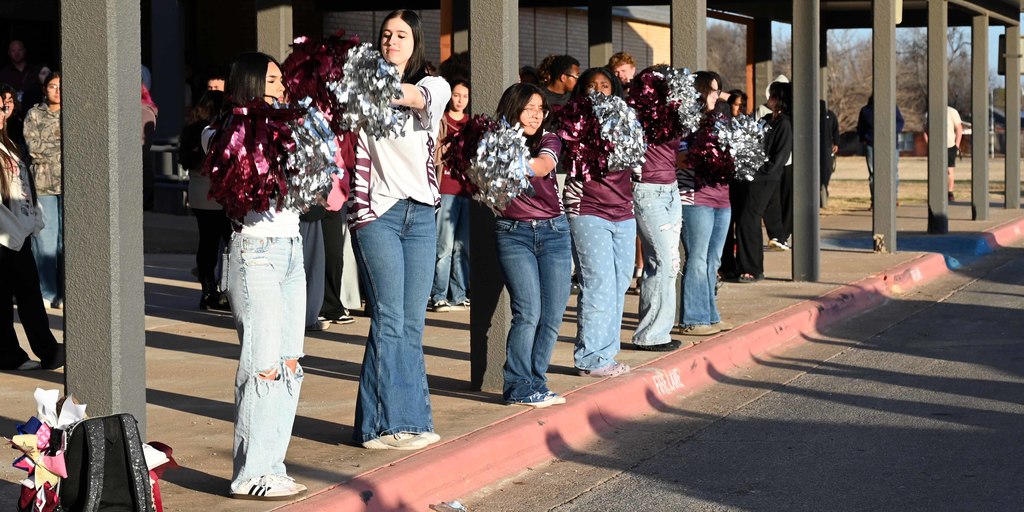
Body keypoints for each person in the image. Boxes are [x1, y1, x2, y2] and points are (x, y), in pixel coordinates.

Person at [204, 52, 307, 500]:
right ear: (247, 83)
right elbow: (233, 164)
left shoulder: (292, 126)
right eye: (270, 79)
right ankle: (250, 473)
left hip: (291, 251)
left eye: (282, 79)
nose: (280, 86)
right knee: (261, 366)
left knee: (289, 365)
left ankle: (272, 463)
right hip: (255, 253)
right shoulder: (223, 132)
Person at [348, 9, 450, 451]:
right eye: (386, 34)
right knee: (389, 320)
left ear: (416, 42)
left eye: (401, 35)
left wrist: (361, 82)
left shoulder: (435, 85)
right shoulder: (357, 83)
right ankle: (397, 424)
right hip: (378, 214)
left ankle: (382, 424)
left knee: (410, 323)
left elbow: (414, 97)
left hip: (422, 216)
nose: (392, 40)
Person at [492, 83, 570, 407]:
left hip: (554, 231)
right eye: (528, 108)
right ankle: (517, 387)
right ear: (513, 108)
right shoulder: (493, 142)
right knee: (528, 312)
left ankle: (536, 382)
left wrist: (499, 162)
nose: (536, 115)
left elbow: (541, 166)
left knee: (552, 315)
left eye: (540, 108)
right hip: (513, 233)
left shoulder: (549, 139)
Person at [564, 67, 635, 378]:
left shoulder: (628, 120)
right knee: (599, 284)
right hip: (587, 208)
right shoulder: (573, 122)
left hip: (624, 211)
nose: (598, 90)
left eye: (605, 85)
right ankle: (590, 358)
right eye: (591, 85)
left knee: (620, 283)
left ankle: (606, 353)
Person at [0, 82, 65, 371]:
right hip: (7, 233)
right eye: (0, 105)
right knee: (25, 292)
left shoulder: (8, 140)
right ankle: (42, 352)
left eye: (7, 104)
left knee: (19, 292)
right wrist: (16, 228)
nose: (4, 110)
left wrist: (31, 219)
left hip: (16, 231)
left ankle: (22, 353)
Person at [629, 66, 683, 352]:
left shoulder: (672, 114)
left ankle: (658, 331)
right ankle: (650, 335)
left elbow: (677, 153)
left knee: (668, 263)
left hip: (671, 191)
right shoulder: (634, 115)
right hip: (647, 191)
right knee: (663, 260)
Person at [678, 71, 734, 337]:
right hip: (694, 197)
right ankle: (693, 318)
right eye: (711, 90)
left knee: (714, 260)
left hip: (722, 197)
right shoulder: (685, 120)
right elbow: (679, 159)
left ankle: (710, 315)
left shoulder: (723, 120)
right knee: (698, 258)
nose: (715, 95)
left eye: (717, 90)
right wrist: (703, 153)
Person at [729, 81, 793, 284]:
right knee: (744, 218)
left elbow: (778, 159)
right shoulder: (767, 119)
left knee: (749, 219)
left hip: (766, 178)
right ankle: (741, 265)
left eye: (773, 95)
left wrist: (756, 171)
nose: (769, 98)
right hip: (753, 176)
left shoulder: (785, 124)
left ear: (780, 99)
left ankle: (752, 269)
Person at [179, 90, 231, 312]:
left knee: (207, 243)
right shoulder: (214, 132)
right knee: (228, 244)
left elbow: (184, 161)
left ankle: (207, 290)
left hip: (198, 194)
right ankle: (222, 290)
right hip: (217, 195)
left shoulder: (190, 130)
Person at [430, 78, 472, 312]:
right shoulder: (441, 121)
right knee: (444, 245)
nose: (460, 100)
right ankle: (438, 294)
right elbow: (433, 153)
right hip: (445, 187)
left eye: (465, 96)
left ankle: (459, 293)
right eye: (457, 95)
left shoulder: (470, 123)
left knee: (462, 246)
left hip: (465, 190)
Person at [23, 70, 63, 309]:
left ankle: (65, 290)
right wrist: (61, 145)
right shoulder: (35, 114)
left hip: (71, 185)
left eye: (61, 86)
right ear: (44, 89)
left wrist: (51, 146)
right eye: (52, 86)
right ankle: (47, 290)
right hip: (44, 183)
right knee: (45, 239)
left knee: (66, 241)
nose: (57, 91)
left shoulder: (74, 113)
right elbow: (33, 147)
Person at [857, 95, 904, 204]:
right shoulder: (865, 110)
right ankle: (875, 200)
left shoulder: (892, 107)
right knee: (873, 173)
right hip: (871, 143)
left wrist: (892, 131)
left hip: (891, 144)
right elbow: (860, 127)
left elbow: (900, 122)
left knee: (893, 172)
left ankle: (893, 198)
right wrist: (863, 139)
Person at [923, 106, 964, 202]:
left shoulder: (952, 111)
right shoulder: (929, 112)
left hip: (950, 145)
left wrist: (956, 145)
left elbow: (959, 128)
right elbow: (925, 130)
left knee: (949, 170)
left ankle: (950, 192)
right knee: (936, 170)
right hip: (935, 147)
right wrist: (929, 145)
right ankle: (937, 192)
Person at [0, 41, 42, 110]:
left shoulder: (35, 71)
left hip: (33, 111)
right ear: (9, 53)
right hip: (10, 112)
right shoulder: (3, 74)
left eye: (19, 50)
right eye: (13, 50)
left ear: (24, 51)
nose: (17, 53)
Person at [141, 84, 159, 211]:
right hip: (142, 172)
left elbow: (142, 146)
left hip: (139, 174)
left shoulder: (143, 111)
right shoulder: (147, 110)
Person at [820, 100, 840, 208]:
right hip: (816, 149)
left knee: (827, 170)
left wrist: (836, 143)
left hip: (827, 148)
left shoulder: (830, 115)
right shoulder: (812, 114)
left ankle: (824, 189)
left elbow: (835, 130)